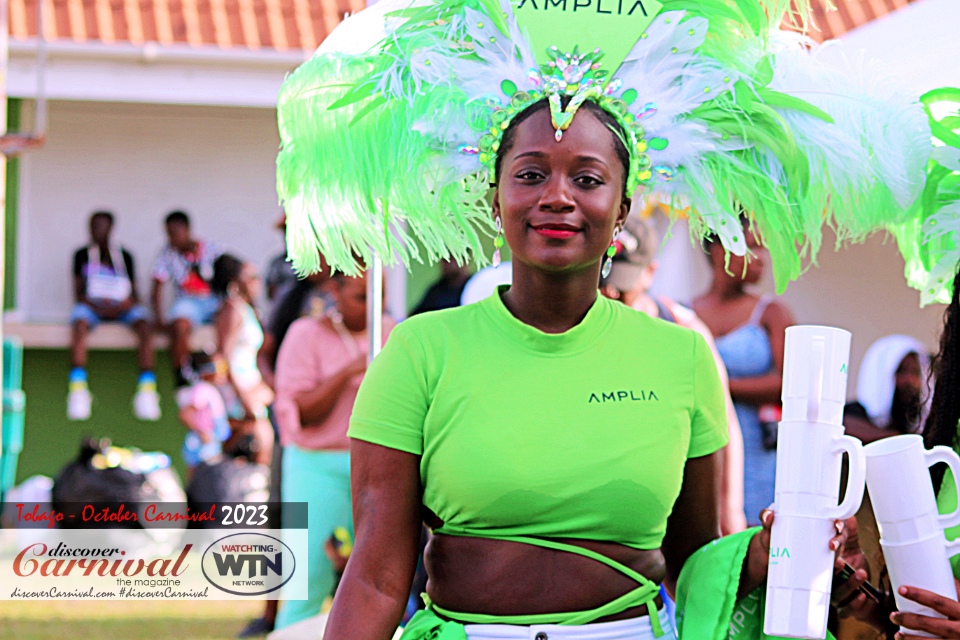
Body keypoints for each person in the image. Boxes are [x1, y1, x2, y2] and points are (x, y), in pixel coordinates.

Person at [317, 97, 857, 640]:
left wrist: (761, 555)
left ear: (622, 208)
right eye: (529, 175)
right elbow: (376, 581)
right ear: (495, 197)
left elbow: (696, 561)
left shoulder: (684, 356)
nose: (556, 197)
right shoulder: (419, 350)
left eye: (588, 179)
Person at [600, 216, 747, 534]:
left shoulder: (683, 328)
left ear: (650, 273)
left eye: (622, 286)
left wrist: (730, 510)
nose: (610, 293)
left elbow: (723, 426)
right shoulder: (589, 328)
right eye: (603, 283)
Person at [272, 270, 394, 629]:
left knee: (380, 583)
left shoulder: (393, 334)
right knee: (306, 579)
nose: (375, 305)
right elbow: (304, 413)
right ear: (334, 294)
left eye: (381, 295)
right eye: (362, 296)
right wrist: (349, 371)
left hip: (378, 467)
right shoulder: (305, 334)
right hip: (317, 466)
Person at [693, 224, 795, 527]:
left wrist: (720, 387)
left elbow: (789, 383)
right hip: (704, 442)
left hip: (759, 451)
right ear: (718, 249)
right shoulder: (683, 312)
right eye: (751, 247)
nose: (761, 257)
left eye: (763, 249)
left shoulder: (772, 312)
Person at [68, 210, 159, 421]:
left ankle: (147, 388)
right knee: (78, 323)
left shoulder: (124, 256)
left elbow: (135, 293)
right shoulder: (81, 255)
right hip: (92, 307)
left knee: (145, 326)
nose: (96, 230)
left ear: (110, 228)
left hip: (122, 308)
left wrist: (122, 305)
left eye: (100, 225)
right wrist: (99, 307)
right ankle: (78, 388)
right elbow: (78, 293)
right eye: (93, 225)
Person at [211, 254, 274, 466]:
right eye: (252, 277)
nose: (257, 282)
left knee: (259, 450)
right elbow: (224, 357)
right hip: (237, 393)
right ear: (236, 281)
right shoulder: (232, 309)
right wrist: (244, 398)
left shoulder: (248, 310)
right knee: (254, 446)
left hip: (250, 388)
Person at [151, 210, 224, 386]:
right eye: (168, 233)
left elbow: (227, 275)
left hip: (214, 300)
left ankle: (223, 369)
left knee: (230, 320)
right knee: (180, 325)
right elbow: (157, 286)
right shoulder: (167, 254)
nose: (172, 238)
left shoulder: (211, 249)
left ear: (187, 229)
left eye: (175, 232)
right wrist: (159, 319)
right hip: (189, 302)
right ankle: (182, 375)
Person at [843, 335, 931, 444]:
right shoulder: (849, 416)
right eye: (902, 371)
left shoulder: (917, 425)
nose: (910, 380)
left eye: (916, 372)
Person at [177, 351, 231, 475]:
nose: (223, 372)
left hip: (212, 444)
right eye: (220, 367)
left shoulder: (212, 390)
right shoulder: (202, 389)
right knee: (198, 477)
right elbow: (185, 414)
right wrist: (203, 432)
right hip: (201, 445)